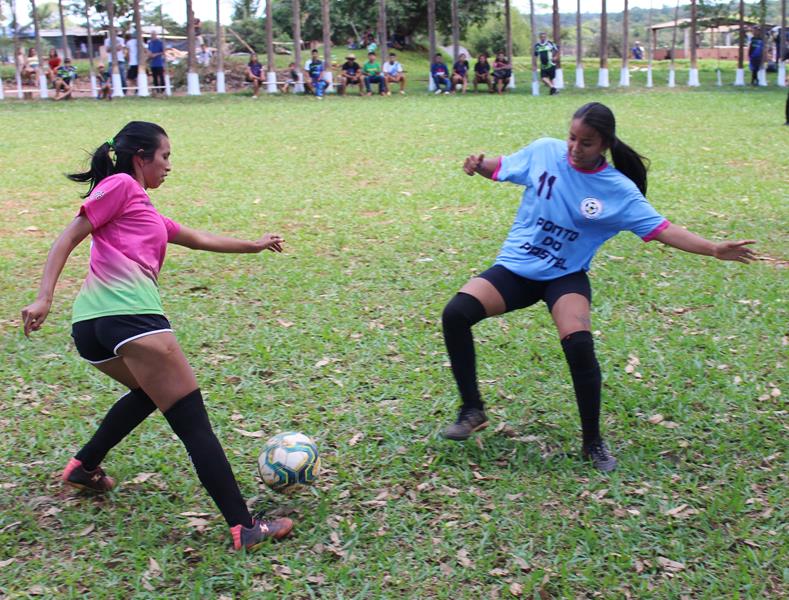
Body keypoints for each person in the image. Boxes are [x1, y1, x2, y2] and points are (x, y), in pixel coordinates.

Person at [21, 121, 294, 551]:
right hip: (133, 320)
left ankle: (84, 466)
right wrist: (43, 298)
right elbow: (68, 237)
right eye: (164, 157)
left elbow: (199, 238)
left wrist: (254, 244)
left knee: (150, 394)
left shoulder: (143, 210)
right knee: (192, 421)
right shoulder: (121, 187)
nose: (169, 166)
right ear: (140, 158)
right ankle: (245, 528)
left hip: (94, 329)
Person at [441, 102, 756, 472]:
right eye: (572, 137)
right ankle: (472, 409)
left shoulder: (618, 190)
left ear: (605, 143)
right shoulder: (545, 151)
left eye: (586, 142)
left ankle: (592, 442)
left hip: (565, 276)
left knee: (579, 345)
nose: (575, 147)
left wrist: (714, 248)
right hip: (517, 268)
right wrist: (478, 165)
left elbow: (665, 230)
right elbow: (504, 165)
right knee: (455, 314)